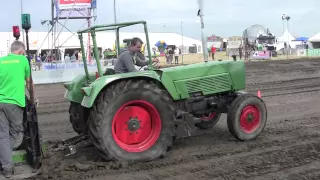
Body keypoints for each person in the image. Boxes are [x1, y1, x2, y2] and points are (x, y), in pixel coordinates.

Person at [0, 40, 36, 178]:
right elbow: (29, 82)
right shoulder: (23, 60)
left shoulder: (1, 61)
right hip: (14, 103)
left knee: (2, 134)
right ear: (21, 52)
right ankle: (5, 157)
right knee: (17, 133)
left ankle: (7, 169)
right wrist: (33, 99)